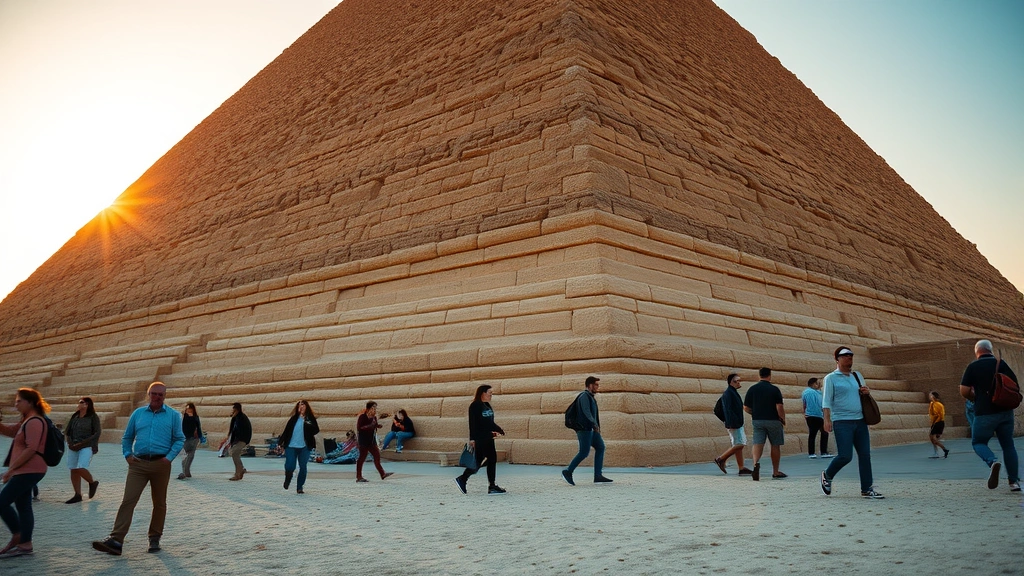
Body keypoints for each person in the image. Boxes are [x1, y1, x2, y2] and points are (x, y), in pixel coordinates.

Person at [92, 381, 185, 555]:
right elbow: (127, 437)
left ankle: (154, 538)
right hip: (138, 464)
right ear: (148, 394)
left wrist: (169, 458)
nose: (157, 397)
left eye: (160, 394)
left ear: (165, 396)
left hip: (161, 464)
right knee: (128, 500)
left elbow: (179, 438)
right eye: (154, 393)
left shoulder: (173, 415)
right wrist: (127, 454)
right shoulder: (138, 414)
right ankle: (116, 540)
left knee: (159, 503)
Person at [820, 348, 884, 499]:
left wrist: (866, 392)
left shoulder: (857, 375)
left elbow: (862, 394)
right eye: (845, 356)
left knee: (865, 455)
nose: (849, 358)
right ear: (837, 359)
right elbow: (826, 401)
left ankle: (867, 488)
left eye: (851, 356)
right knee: (845, 456)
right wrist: (826, 420)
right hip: (842, 421)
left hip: (860, 421)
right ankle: (827, 475)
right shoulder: (830, 378)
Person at [958, 339, 1019, 491]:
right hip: (1005, 412)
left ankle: (992, 461)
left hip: (984, 413)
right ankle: (1014, 483)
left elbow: (964, 390)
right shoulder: (1001, 364)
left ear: (977, 352)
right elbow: (1015, 385)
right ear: (991, 350)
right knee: (1008, 445)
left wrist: (975, 397)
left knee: (978, 442)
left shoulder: (973, 367)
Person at [0, 388, 51, 558]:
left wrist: (11, 469)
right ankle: (25, 544)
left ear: (30, 402)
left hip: (29, 470)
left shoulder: (35, 421)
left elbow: (31, 448)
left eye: (18, 401)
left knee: (2, 502)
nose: (16, 405)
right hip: (27, 470)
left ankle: (18, 535)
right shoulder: (27, 420)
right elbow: (11, 432)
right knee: (23, 506)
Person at [454, 385, 506, 495]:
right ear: (483, 393)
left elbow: (489, 422)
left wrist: (495, 430)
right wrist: (472, 439)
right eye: (489, 393)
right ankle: (491, 485)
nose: (491, 395)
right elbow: (473, 423)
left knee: (481, 461)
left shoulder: (487, 405)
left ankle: (463, 479)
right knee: (490, 459)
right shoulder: (475, 406)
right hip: (480, 438)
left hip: (488, 436)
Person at [561, 376, 613, 486]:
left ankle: (598, 475)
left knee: (600, 447)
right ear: (590, 385)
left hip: (592, 430)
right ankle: (568, 471)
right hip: (584, 429)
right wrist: (594, 424)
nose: (597, 387)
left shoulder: (591, 397)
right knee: (584, 452)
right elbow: (586, 411)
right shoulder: (584, 396)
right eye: (596, 385)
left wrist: (596, 426)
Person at [743, 367, 787, 481]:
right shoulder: (774, 389)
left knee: (758, 443)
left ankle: (755, 464)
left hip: (758, 420)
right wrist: (782, 418)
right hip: (773, 420)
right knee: (775, 445)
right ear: (769, 375)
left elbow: (746, 407)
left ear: (759, 375)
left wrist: (755, 413)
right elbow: (779, 406)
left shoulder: (752, 389)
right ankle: (775, 471)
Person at [64, 396, 102, 503]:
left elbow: (97, 433)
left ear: (87, 405)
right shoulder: (75, 416)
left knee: (81, 467)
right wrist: (70, 443)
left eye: (81, 402)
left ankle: (92, 483)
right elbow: (68, 431)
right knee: (73, 469)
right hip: (73, 446)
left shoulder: (93, 417)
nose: (79, 404)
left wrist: (83, 443)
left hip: (86, 446)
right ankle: (77, 494)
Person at [713, 374, 752, 476]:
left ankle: (741, 468)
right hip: (734, 424)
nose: (738, 383)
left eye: (739, 381)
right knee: (740, 444)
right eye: (736, 381)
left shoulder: (732, 392)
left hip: (736, 423)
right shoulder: (729, 394)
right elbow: (728, 410)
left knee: (738, 445)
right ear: (731, 382)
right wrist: (732, 423)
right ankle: (721, 459)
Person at [278, 399, 320, 494]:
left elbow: (316, 430)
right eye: (299, 405)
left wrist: (307, 423)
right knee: (290, 465)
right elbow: (286, 431)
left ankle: (299, 487)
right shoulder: (293, 419)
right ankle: (288, 478)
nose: (301, 407)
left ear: (306, 407)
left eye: (303, 405)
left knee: (303, 467)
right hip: (291, 446)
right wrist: (280, 443)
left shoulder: (310, 419)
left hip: (304, 447)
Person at [355, 402, 393, 483]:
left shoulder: (374, 418)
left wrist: (377, 426)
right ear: (368, 409)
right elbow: (360, 428)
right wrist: (371, 425)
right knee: (362, 458)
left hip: (371, 441)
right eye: (373, 408)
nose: (374, 410)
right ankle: (359, 476)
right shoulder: (362, 417)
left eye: (375, 408)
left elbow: (374, 426)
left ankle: (382, 474)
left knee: (377, 456)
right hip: (363, 441)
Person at [801, 378, 832, 459]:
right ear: (813, 384)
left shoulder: (806, 392)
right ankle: (823, 452)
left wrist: (805, 413)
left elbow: (804, 404)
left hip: (810, 415)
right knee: (824, 433)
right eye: (818, 383)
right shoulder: (815, 393)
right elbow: (820, 404)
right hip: (817, 415)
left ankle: (812, 453)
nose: (820, 385)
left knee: (813, 434)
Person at [224, 403, 252, 481]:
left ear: (237, 410)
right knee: (234, 453)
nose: (233, 411)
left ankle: (238, 473)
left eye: (234, 410)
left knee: (234, 453)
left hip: (242, 439)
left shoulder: (241, 418)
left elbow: (240, 430)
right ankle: (240, 470)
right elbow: (233, 430)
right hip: (239, 440)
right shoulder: (236, 418)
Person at [178, 402, 202, 480]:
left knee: (191, 455)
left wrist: (200, 437)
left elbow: (198, 427)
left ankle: (186, 471)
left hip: (194, 438)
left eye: (189, 408)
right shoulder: (184, 417)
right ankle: (185, 471)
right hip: (185, 438)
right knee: (184, 455)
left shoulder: (195, 417)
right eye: (187, 408)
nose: (188, 410)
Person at [927, 391, 949, 459]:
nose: (929, 397)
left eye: (930, 395)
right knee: (933, 438)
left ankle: (942, 450)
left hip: (938, 422)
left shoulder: (937, 404)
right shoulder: (932, 404)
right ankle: (938, 451)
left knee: (932, 438)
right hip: (937, 422)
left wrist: (934, 422)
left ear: (933, 396)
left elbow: (939, 415)